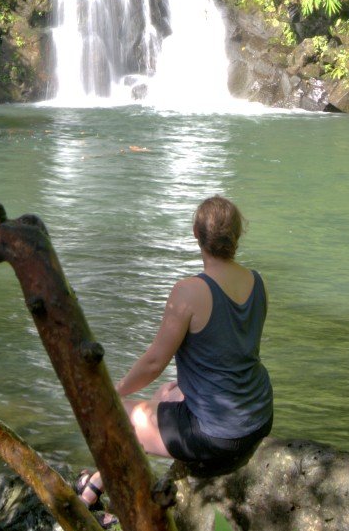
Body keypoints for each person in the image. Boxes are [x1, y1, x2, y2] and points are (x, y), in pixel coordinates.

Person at [82, 195, 273, 510]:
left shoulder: (189, 292)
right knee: (168, 393)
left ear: (196, 235)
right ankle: (97, 483)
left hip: (217, 435)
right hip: (258, 416)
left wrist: (112, 393)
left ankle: (101, 498)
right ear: (237, 235)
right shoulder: (257, 282)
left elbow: (155, 362)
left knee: (116, 415)